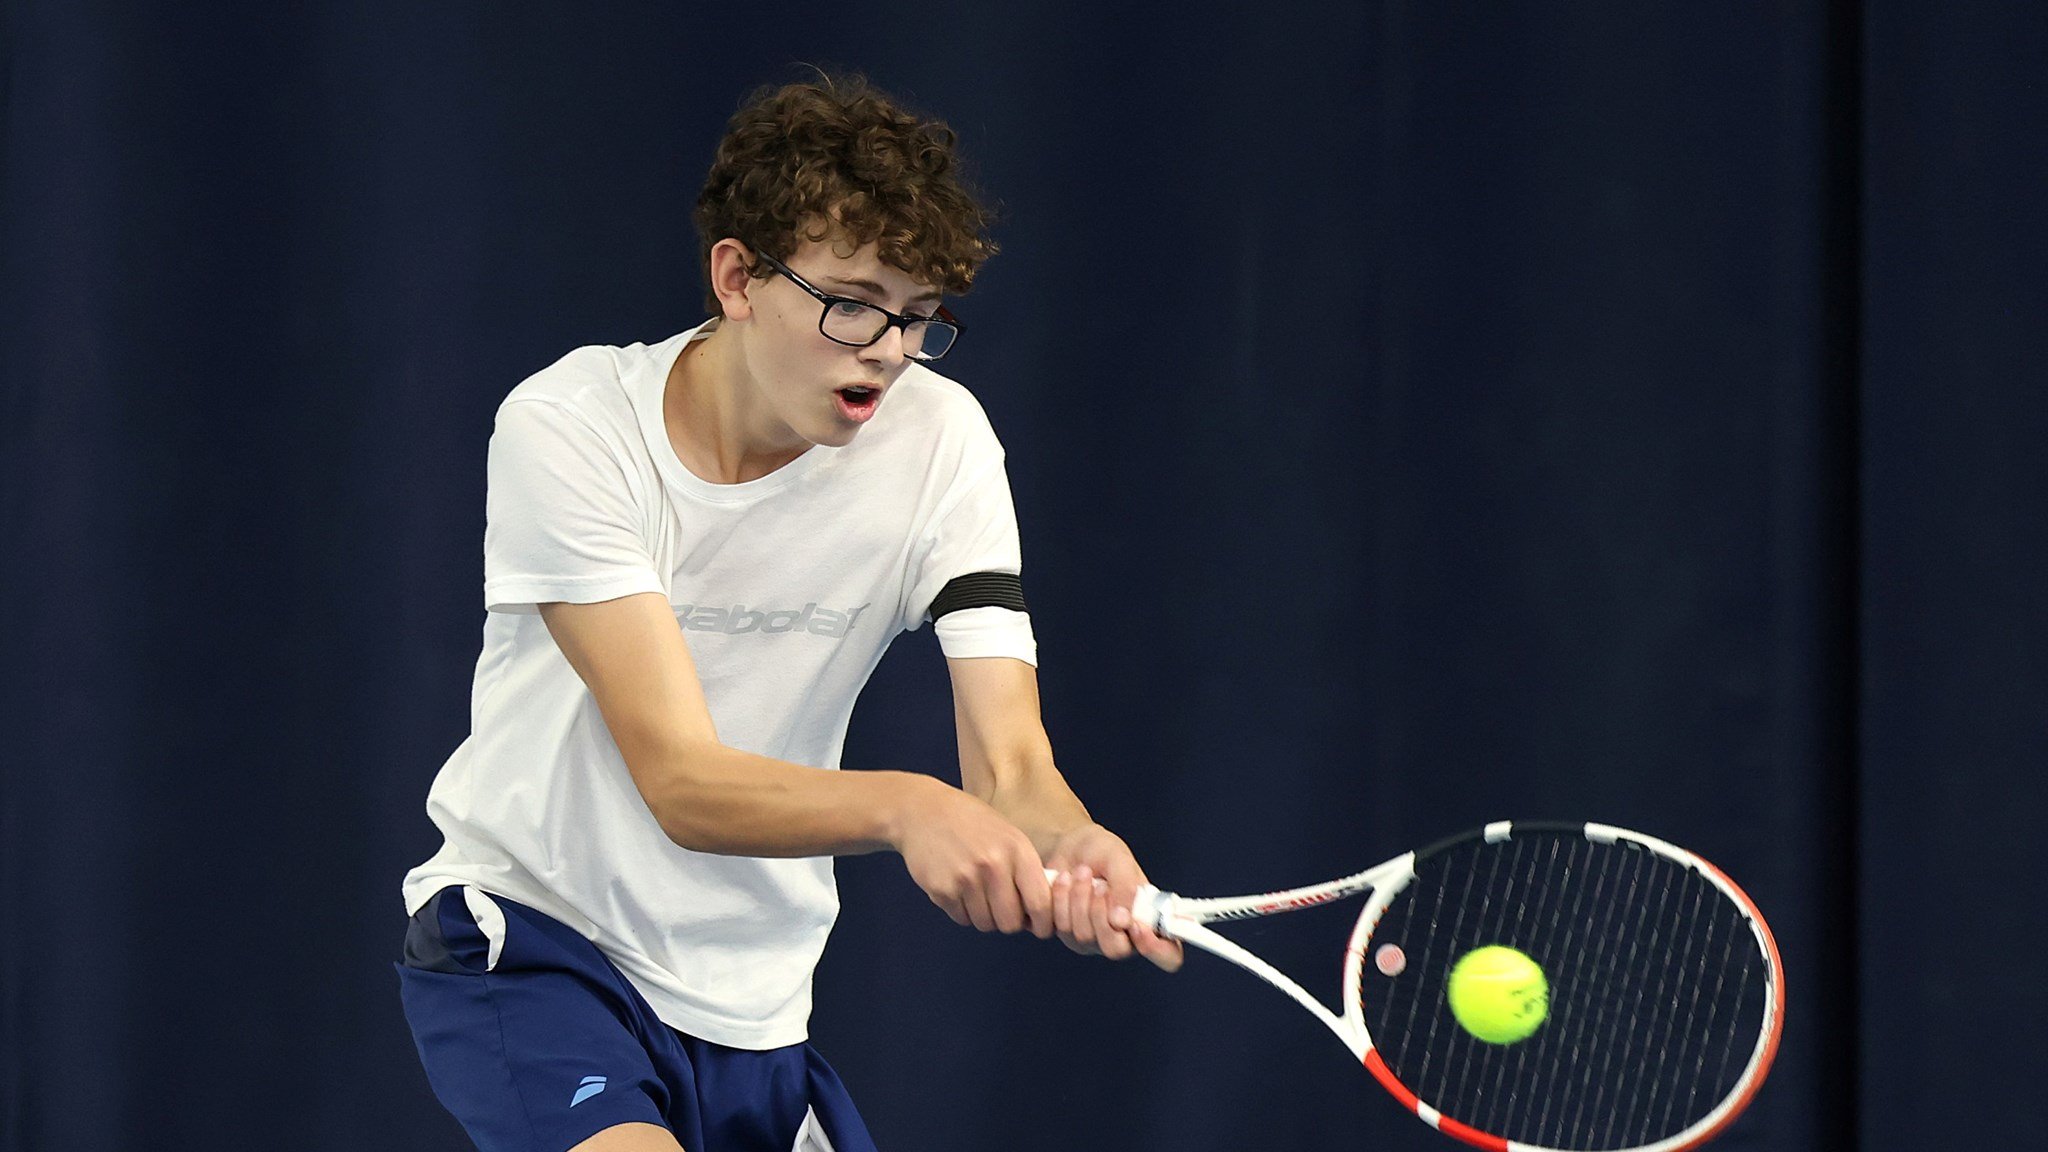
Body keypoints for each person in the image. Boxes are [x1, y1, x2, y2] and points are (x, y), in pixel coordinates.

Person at [396, 74, 1180, 1152]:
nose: (889, 350)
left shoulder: (944, 446)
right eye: (851, 302)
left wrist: (1067, 842)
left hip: (755, 1006)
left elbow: (1008, 769)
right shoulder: (568, 428)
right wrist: (907, 807)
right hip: (537, 946)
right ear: (737, 277)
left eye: (914, 317)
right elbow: (679, 779)